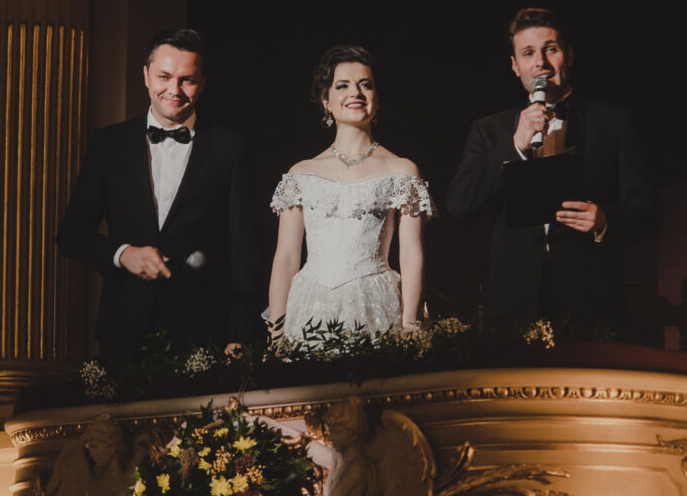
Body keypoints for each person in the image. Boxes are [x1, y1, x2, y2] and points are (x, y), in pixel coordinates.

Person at [446, 8, 661, 338]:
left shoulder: (614, 123)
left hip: (591, 299)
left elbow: (650, 211)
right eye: (528, 53)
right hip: (513, 302)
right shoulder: (488, 131)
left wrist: (605, 220)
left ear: (569, 55)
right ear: (515, 66)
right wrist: (514, 147)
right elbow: (460, 205)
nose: (541, 64)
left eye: (551, 49)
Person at [57, 29, 260, 354]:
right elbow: (71, 233)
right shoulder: (109, 144)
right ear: (146, 76)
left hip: (204, 331)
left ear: (203, 83)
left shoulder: (231, 149)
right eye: (164, 77)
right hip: (124, 327)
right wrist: (123, 254)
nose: (174, 90)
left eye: (187, 80)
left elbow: (245, 252)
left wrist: (240, 334)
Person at [267, 45, 434, 344]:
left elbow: (411, 253)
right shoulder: (301, 174)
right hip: (309, 305)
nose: (355, 93)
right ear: (326, 101)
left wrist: (410, 325)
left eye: (365, 85)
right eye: (342, 86)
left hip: (375, 303)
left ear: (376, 99)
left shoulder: (402, 170)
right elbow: (287, 257)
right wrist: (276, 334)